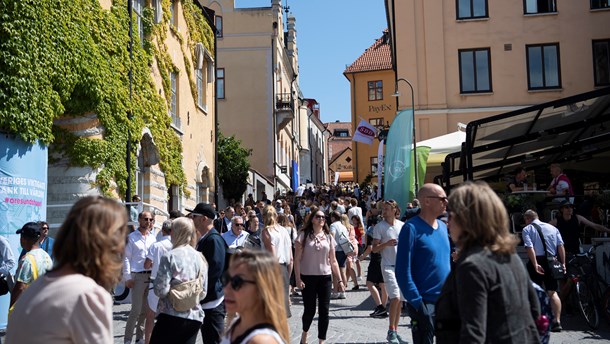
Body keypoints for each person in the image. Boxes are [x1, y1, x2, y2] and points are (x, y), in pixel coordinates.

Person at [6, 196, 129, 344]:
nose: (123, 247)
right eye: (120, 236)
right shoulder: (88, 296)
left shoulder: (36, 289)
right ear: (105, 243)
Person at [435, 182, 540, 343]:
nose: (447, 222)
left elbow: (473, 334)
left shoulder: (472, 266)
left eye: (450, 215)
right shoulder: (510, 256)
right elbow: (534, 311)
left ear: (466, 219)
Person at [396, 184, 451, 344]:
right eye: (442, 198)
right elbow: (402, 271)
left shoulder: (442, 226)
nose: (446, 202)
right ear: (427, 201)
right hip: (424, 303)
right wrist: (418, 305)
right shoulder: (410, 228)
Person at [151, 217, 208, 344]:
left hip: (170, 315)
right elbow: (203, 292)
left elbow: (160, 290)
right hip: (194, 317)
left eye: (172, 230)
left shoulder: (170, 256)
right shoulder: (200, 258)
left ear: (176, 232)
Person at [294, 208, 344, 344]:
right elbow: (297, 259)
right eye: (318, 217)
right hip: (307, 277)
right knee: (309, 310)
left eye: (323, 217)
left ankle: (321, 340)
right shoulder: (303, 235)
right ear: (312, 219)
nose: (321, 219)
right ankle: (304, 333)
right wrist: (297, 279)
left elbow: (333, 261)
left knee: (324, 311)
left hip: (325, 277)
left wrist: (339, 280)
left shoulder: (328, 237)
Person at [220, 250, 289, 344]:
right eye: (226, 279)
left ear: (262, 289)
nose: (226, 289)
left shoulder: (261, 340)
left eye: (237, 282)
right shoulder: (237, 324)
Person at [522, 209, 565, 332]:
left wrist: (535, 263)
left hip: (538, 261)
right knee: (553, 292)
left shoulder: (527, 229)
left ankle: (539, 321)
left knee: (535, 291)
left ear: (527, 219)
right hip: (552, 261)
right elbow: (560, 246)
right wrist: (563, 263)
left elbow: (530, 248)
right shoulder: (552, 228)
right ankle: (557, 322)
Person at [189, 203, 227, 344]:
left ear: (204, 219)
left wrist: (199, 292)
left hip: (212, 300)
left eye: (194, 216)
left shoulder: (214, 239)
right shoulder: (206, 237)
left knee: (214, 340)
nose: (192, 219)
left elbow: (214, 272)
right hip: (207, 299)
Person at [371, 200, 406, 343]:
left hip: (401, 267)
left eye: (387, 209)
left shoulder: (402, 226)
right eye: (383, 209)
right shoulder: (379, 227)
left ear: (395, 210)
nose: (384, 212)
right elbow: (374, 249)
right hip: (387, 266)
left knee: (400, 302)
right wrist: (386, 244)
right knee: (395, 298)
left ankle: (395, 332)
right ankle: (391, 330)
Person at [123, 211, 157, 344]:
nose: (148, 222)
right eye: (145, 219)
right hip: (137, 276)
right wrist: (127, 277)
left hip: (151, 276)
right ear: (139, 220)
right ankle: (127, 340)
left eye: (150, 219)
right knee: (135, 310)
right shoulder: (131, 237)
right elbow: (126, 258)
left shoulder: (153, 238)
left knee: (145, 310)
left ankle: (139, 338)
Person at [9, 222, 53, 308]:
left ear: (23, 239)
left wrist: (11, 309)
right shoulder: (46, 256)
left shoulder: (27, 260)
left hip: (29, 308)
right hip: (45, 306)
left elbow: (20, 288)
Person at [144, 220, 173, 344]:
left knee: (150, 315)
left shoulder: (155, 246)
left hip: (155, 282)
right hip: (171, 283)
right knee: (170, 316)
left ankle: (148, 341)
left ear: (162, 231)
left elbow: (147, 265)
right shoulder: (176, 246)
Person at [261, 205, 293, 317]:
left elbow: (272, 255)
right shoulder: (284, 230)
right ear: (276, 215)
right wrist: (287, 276)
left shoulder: (266, 232)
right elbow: (291, 259)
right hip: (283, 269)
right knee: (282, 312)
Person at [359, 214, 388, 318]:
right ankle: (383, 308)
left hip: (375, 259)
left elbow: (370, 247)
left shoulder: (373, 230)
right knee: (383, 284)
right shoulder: (385, 230)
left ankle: (380, 307)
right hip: (384, 258)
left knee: (369, 283)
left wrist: (362, 256)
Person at [328, 211, 349, 299]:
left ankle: (335, 291)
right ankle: (343, 291)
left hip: (336, 250)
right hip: (344, 250)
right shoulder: (343, 226)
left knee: (335, 271)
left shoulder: (333, 225)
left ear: (333, 217)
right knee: (342, 271)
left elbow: (332, 235)